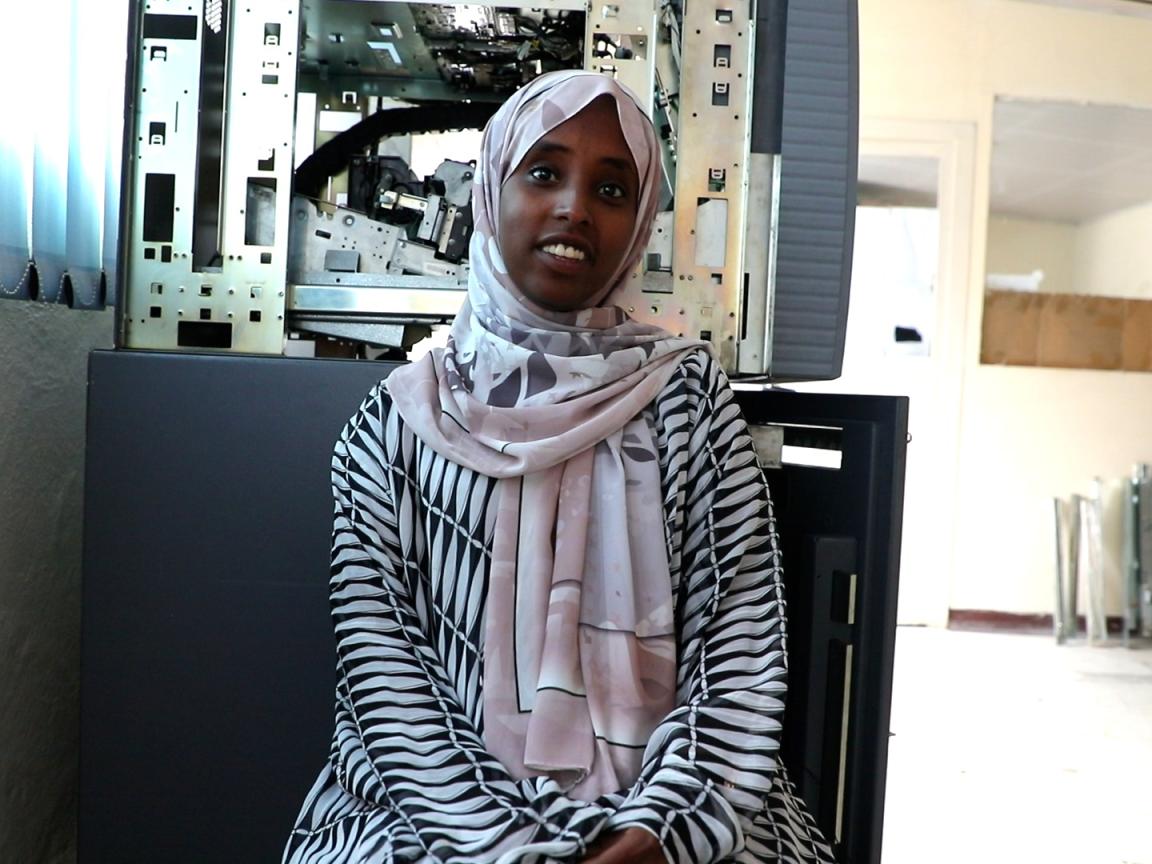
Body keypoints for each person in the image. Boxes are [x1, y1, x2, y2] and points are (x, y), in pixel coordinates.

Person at [284, 69, 836, 864]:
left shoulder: (685, 400)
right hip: (431, 806)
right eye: (544, 174)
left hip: (675, 803)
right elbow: (387, 678)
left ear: (640, 219)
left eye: (612, 190)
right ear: (491, 191)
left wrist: (659, 831)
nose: (575, 206)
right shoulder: (400, 421)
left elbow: (739, 650)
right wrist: (505, 848)